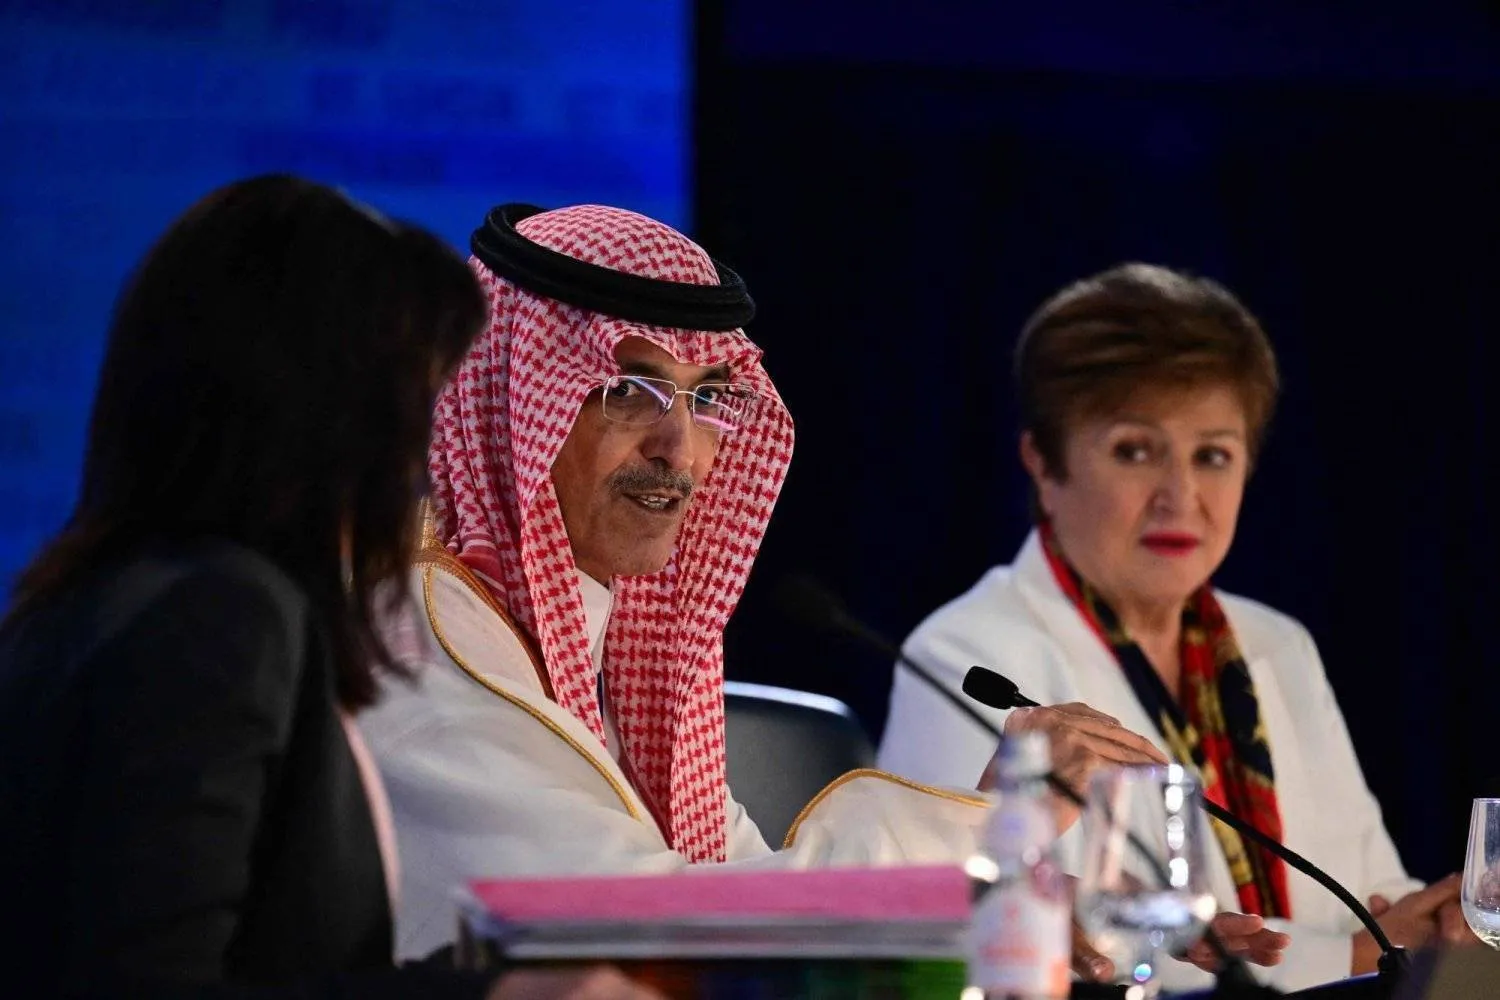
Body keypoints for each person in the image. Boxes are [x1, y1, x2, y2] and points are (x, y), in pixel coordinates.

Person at [358, 205, 1283, 984]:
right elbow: (642, 922)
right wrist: (1004, 824)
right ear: (514, 406)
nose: (680, 453)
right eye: (630, 391)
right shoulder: (421, 642)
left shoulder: (594, 639)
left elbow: (747, 885)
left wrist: (1007, 911)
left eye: (708, 398)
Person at [0, 176, 660, 1000]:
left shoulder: (85, 604)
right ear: (326, 408)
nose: (427, 449)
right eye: (416, 399)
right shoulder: (219, 618)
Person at [877, 263, 1475, 991]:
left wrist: (1437, 925)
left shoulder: (1275, 644)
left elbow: (1378, 893)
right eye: (1135, 450)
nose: (1180, 496)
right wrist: (1353, 955)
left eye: (1213, 455)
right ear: (1042, 461)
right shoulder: (967, 653)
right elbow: (1036, 945)